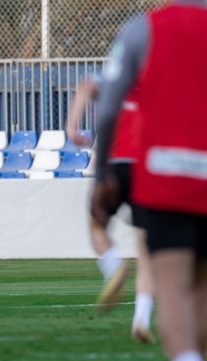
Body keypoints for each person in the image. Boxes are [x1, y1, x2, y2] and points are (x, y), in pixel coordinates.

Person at [93, 2, 207, 361]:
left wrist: (102, 173)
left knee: (173, 287)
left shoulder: (142, 29)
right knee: (201, 288)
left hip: (164, 175)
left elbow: (108, 105)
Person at [67, 79, 154, 343]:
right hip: (146, 168)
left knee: (97, 226)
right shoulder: (158, 86)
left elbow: (84, 87)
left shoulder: (113, 83)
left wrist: (72, 129)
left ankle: (114, 265)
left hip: (113, 165)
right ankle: (141, 319)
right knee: (146, 249)